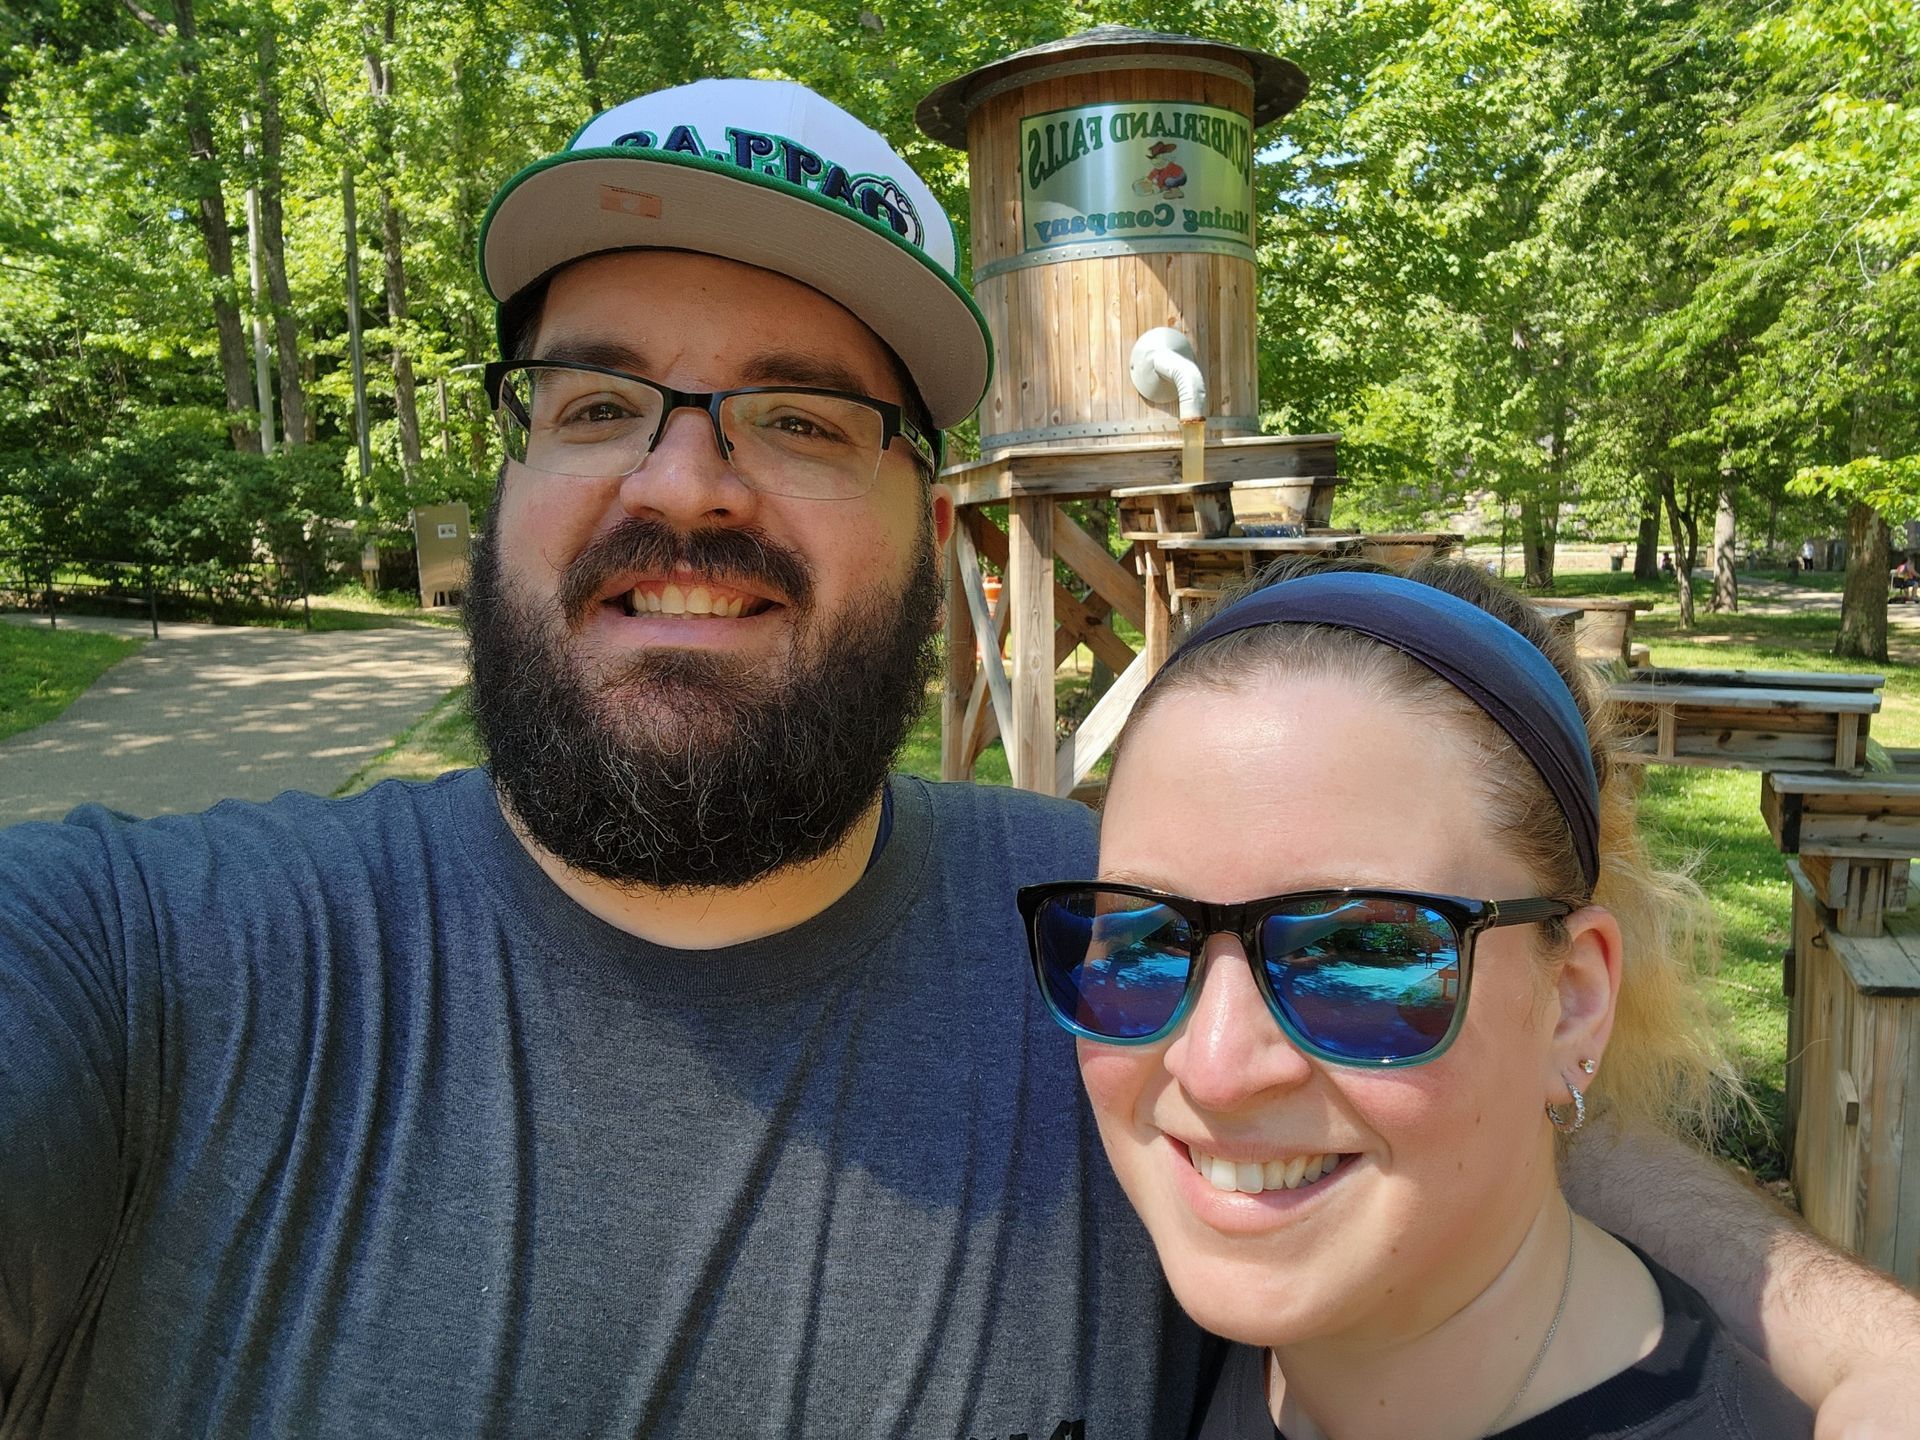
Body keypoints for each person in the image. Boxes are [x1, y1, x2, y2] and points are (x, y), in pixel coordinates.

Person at [2, 75, 1918, 1439]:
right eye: (597, 401)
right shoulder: (152, 958)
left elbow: (1456, 1060)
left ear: (931, 520)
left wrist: (1838, 1338)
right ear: (504, 490)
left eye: (802, 418)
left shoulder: (1102, 941)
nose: (684, 480)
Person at [1023, 556, 1816, 1436]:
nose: (1215, 1070)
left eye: (1360, 954)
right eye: (1147, 941)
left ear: (1573, 1003)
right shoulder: (1191, 1358)